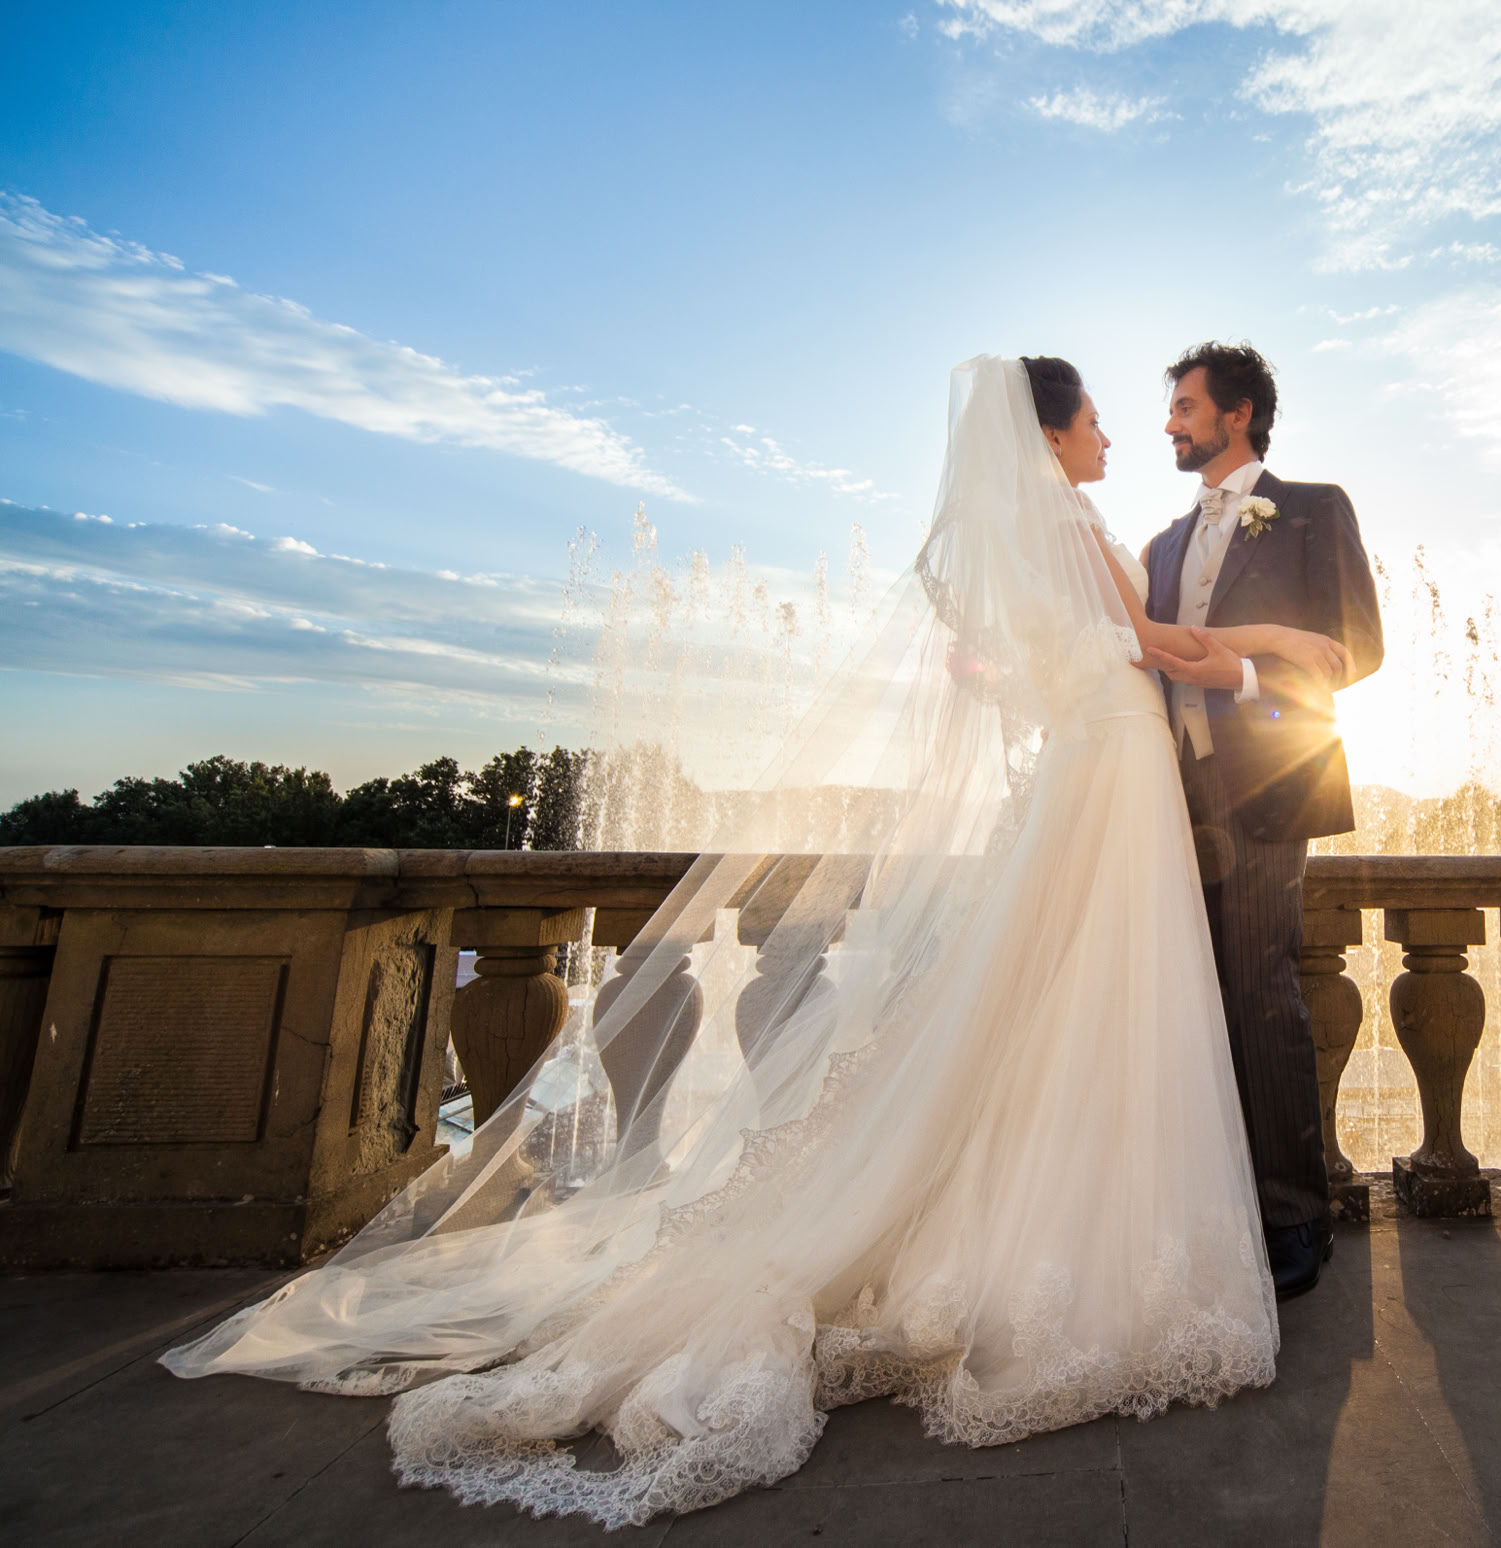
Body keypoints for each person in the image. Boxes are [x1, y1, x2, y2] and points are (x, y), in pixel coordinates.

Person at [161, 355, 1356, 1529]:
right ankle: (1107, 1230)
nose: (1126, 432)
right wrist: (1284, 652)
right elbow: (1149, 646)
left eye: (1169, 409)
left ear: (1233, 413)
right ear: (1049, 436)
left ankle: (1113, 1209)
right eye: (1103, 417)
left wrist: (1258, 652)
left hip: (1111, 784)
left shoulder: (1046, 534)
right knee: (1103, 998)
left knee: (1084, 1004)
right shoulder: (1090, 534)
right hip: (1115, 780)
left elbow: (1026, 660)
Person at [1140, 343, 1384, 1300]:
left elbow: (1357, 645)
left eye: (1186, 408)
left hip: (1268, 785)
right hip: (1166, 800)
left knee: (1262, 992)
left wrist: (1243, 674)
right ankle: (1215, 1205)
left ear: (1237, 415)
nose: (1171, 423)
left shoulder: (1314, 507)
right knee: (1186, 1002)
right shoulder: (1161, 545)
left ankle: (1295, 1216)